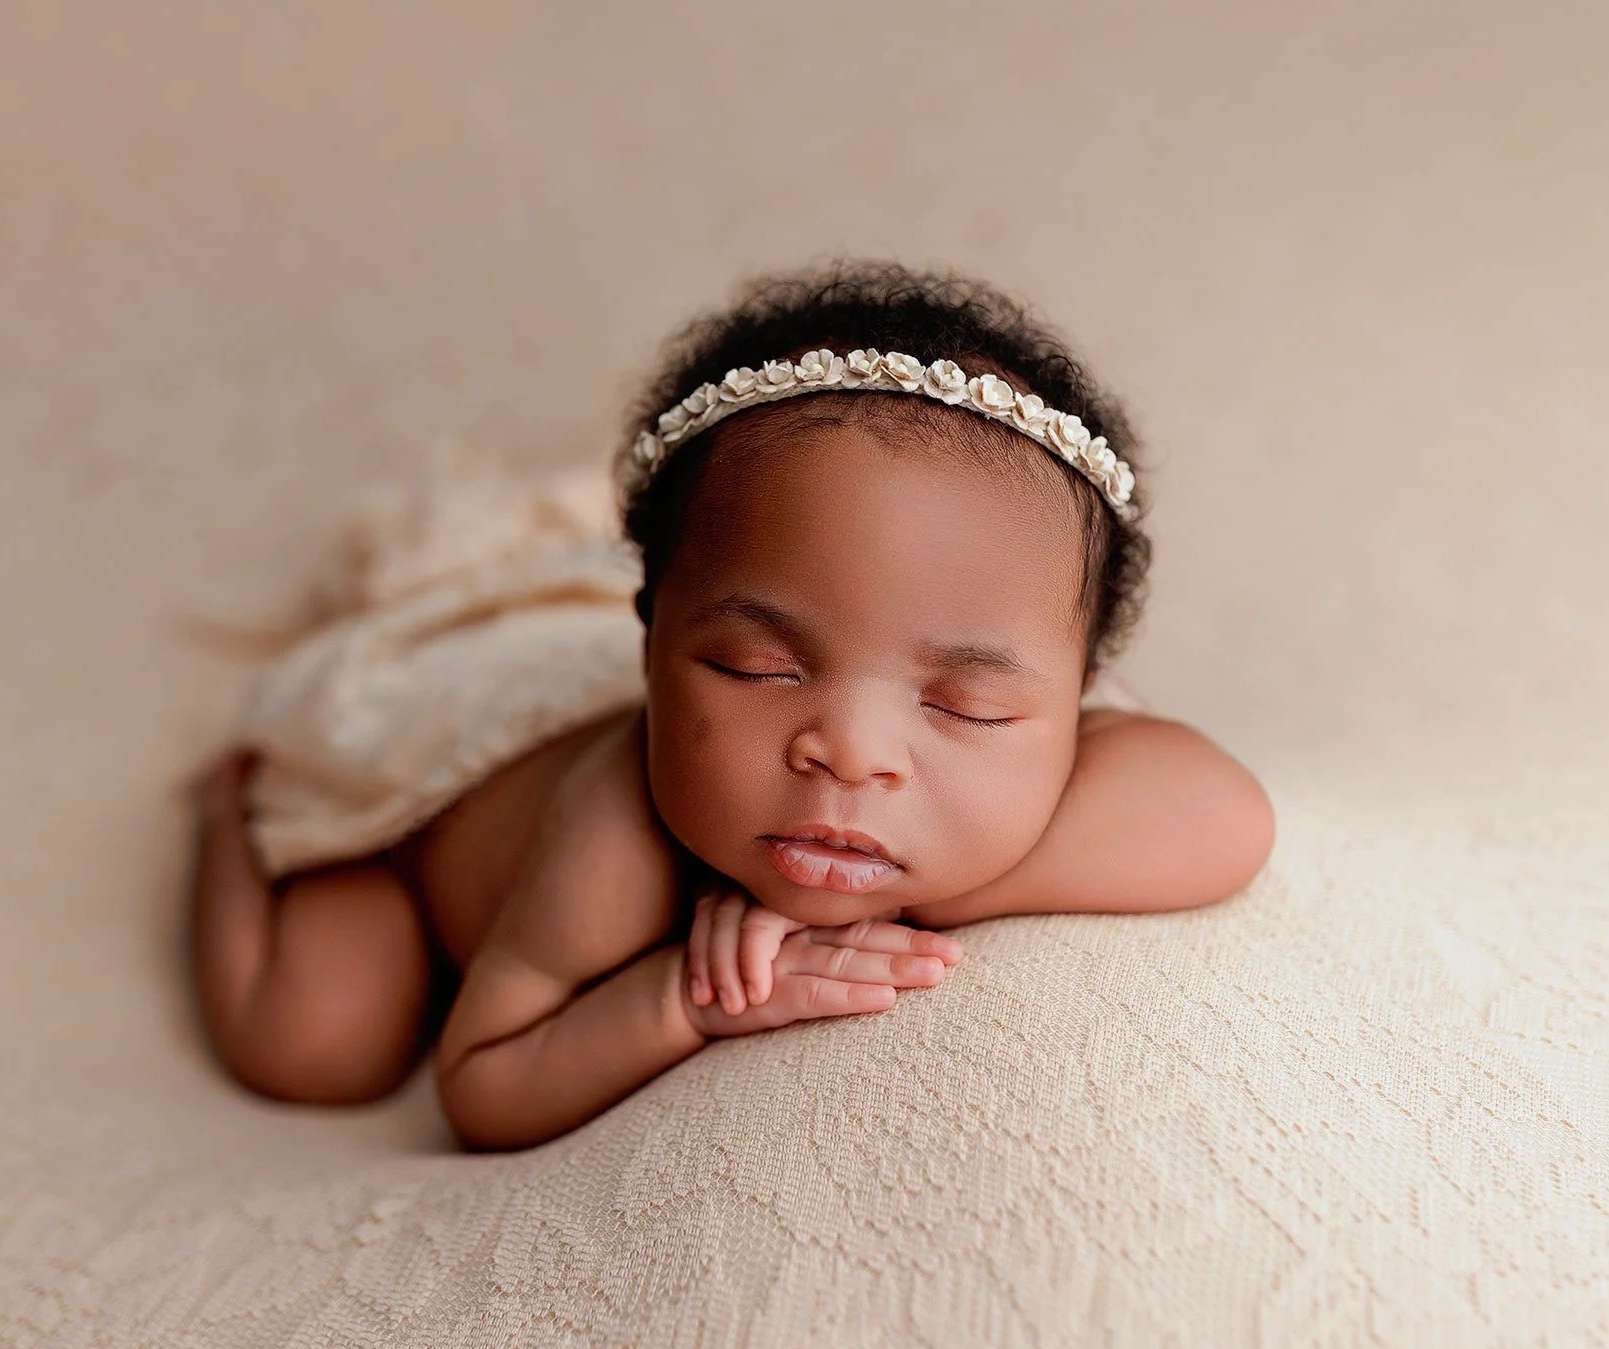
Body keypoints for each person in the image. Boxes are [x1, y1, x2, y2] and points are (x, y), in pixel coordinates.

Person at [186, 259, 1275, 1152]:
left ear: (1076, 694)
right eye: (756, 667)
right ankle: (228, 825)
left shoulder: (1028, 721)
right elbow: (483, 1080)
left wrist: (900, 891)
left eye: (965, 705)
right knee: (317, 1046)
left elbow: (1225, 818)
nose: (849, 754)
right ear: (650, 640)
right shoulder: (613, 841)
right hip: (430, 809)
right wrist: (679, 1002)